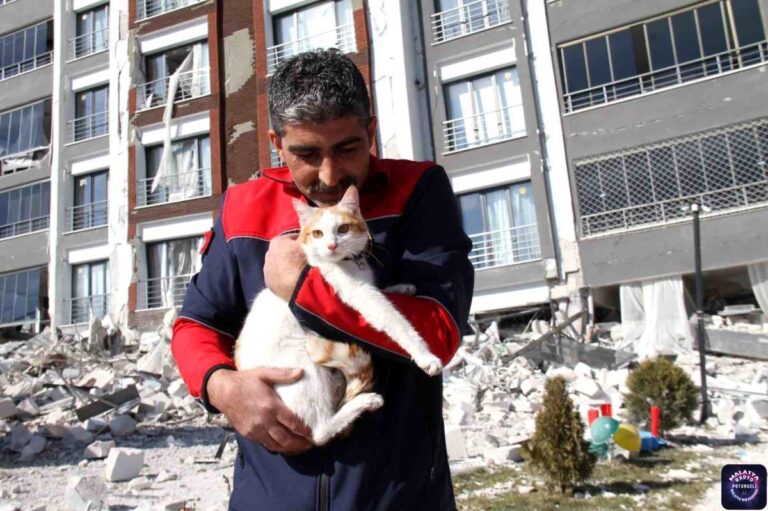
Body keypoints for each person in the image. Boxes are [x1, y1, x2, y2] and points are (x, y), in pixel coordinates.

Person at [171, 48, 474, 510]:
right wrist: (222, 388)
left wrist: (300, 288)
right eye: (306, 154)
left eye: (348, 148)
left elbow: (438, 331)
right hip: (269, 496)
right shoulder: (242, 206)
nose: (330, 175)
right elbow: (196, 325)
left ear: (370, 131)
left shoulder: (418, 189)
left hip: (397, 496)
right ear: (276, 142)